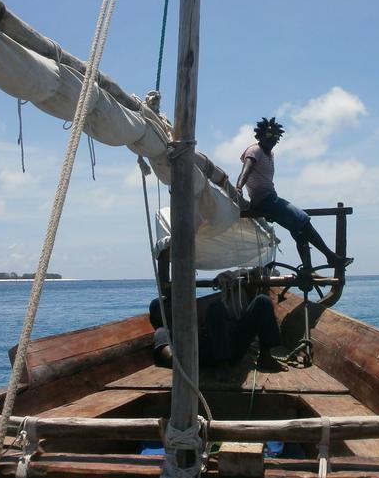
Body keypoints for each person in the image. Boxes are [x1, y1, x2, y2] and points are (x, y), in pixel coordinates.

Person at [237, 117, 353, 272]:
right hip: (264, 201)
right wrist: (238, 187)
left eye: (276, 137)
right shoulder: (254, 151)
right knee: (303, 220)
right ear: (260, 135)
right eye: (270, 135)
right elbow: (246, 170)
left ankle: (308, 269)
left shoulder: (270, 154)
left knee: (299, 232)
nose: (273, 139)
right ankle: (330, 257)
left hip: (271, 198)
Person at [149, 291, 286, 372]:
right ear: (161, 314)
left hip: (230, 346)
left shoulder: (189, 321)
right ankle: (223, 366)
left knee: (262, 301)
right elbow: (169, 356)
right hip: (211, 357)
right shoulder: (163, 331)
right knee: (216, 307)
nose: (176, 305)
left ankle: (265, 356)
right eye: (169, 305)